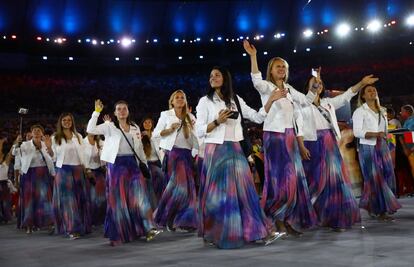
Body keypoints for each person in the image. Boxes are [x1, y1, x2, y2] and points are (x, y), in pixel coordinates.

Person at [195, 66, 280, 249]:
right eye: (211, 76)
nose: (213, 78)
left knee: (246, 191)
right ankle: (219, 233)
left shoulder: (236, 100)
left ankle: (257, 231)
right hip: (216, 149)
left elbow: (257, 117)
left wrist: (271, 100)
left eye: (217, 75)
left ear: (225, 78)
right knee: (220, 194)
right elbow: (199, 130)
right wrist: (217, 121)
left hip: (235, 148)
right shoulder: (205, 101)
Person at [243, 40, 317, 236]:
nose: (282, 69)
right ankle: (278, 219)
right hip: (275, 137)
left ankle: (289, 218)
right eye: (278, 67)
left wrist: (315, 85)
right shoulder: (267, 87)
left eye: (284, 66)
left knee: (294, 180)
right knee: (280, 179)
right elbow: (256, 80)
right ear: (271, 70)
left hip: (290, 138)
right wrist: (253, 56)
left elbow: (307, 101)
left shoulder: (291, 90)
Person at [300, 73, 378, 230]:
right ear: (307, 87)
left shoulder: (328, 103)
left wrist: (361, 83)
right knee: (314, 182)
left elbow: (346, 95)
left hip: (330, 143)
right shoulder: (302, 104)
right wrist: (301, 146)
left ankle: (335, 218)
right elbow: (298, 127)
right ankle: (313, 215)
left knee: (334, 181)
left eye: (320, 82)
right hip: (311, 144)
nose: (318, 84)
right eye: (315, 82)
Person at [87, 100, 161, 245]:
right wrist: (96, 112)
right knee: (118, 200)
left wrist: (143, 165)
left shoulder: (135, 127)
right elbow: (91, 129)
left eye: (124, 109)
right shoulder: (109, 127)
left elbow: (138, 149)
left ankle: (148, 228)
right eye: (118, 109)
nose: (121, 111)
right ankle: (120, 232)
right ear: (114, 113)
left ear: (128, 111)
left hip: (132, 164)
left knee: (139, 197)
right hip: (116, 165)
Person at [352, 85, 401, 220]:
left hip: (383, 146)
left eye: (374, 90)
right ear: (363, 96)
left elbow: (384, 130)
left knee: (387, 175)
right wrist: (375, 134)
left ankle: (383, 208)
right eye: (369, 91)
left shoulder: (382, 110)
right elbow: (357, 132)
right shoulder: (359, 111)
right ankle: (378, 211)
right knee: (374, 178)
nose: (373, 92)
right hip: (368, 147)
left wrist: (386, 137)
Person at [153, 90, 199, 232]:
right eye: (177, 97)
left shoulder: (190, 117)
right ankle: (164, 216)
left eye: (182, 97)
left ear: (185, 101)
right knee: (179, 187)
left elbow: (197, 138)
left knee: (188, 189)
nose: (179, 99)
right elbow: (156, 134)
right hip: (173, 155)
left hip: (187, 155)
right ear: (172, 101)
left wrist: (197, 154)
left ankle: (184, 220)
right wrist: (169, 129)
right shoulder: (166, 115)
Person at [50, 113, 91, 239]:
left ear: (72, 122)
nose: (67, 122)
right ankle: (71, 229)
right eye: (64, 120)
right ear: (60, 122)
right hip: (63, 171)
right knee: (68, 201)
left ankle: (81, 226)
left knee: (79, 199)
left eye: (69, 120)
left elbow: (83, 154)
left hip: (78, 170)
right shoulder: (55, 137)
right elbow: (54, 157)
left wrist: (87, 168)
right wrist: (49, 149)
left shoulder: (78, 136)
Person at [16, 125, 55, 234]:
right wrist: (17, 143)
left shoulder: (45, 144)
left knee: (45, 199)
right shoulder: (25, 144)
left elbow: (53, 157)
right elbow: (16, 152)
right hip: (29, 174)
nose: (37, 132)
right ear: (31, 133)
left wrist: (50, 148)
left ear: (42, 133)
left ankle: (49, 223)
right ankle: (29, 224)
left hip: (43, 174)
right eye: (34, 131)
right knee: (29, 200)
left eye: (39, 130)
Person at [140, 117, 164, 207]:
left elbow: (160, 147)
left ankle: (161, 203)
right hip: (148, 164)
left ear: (152, 124)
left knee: (161, 182)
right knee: (149, 185)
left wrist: (151, 137)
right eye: (145, 122)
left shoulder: (156, 135)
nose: (147, 124)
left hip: (158, 162)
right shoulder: (140, 136)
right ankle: (152, 206)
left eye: (149, 122)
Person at [84, 133, 106, 226]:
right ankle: (92, 220)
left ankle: (101, 219)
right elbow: (82, 158)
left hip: (99, 171)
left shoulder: (100, 142)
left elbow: (105, 156)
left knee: (102, 198)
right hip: (88, 172)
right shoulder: (83, 142)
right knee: (92, 198)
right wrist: (87, 170)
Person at [0, 137, 17, 224]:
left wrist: (15, 142)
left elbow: (10, 153)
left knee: (5, 202)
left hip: (3, 183)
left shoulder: (6, 162)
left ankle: (6, 217)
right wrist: (1, 143)